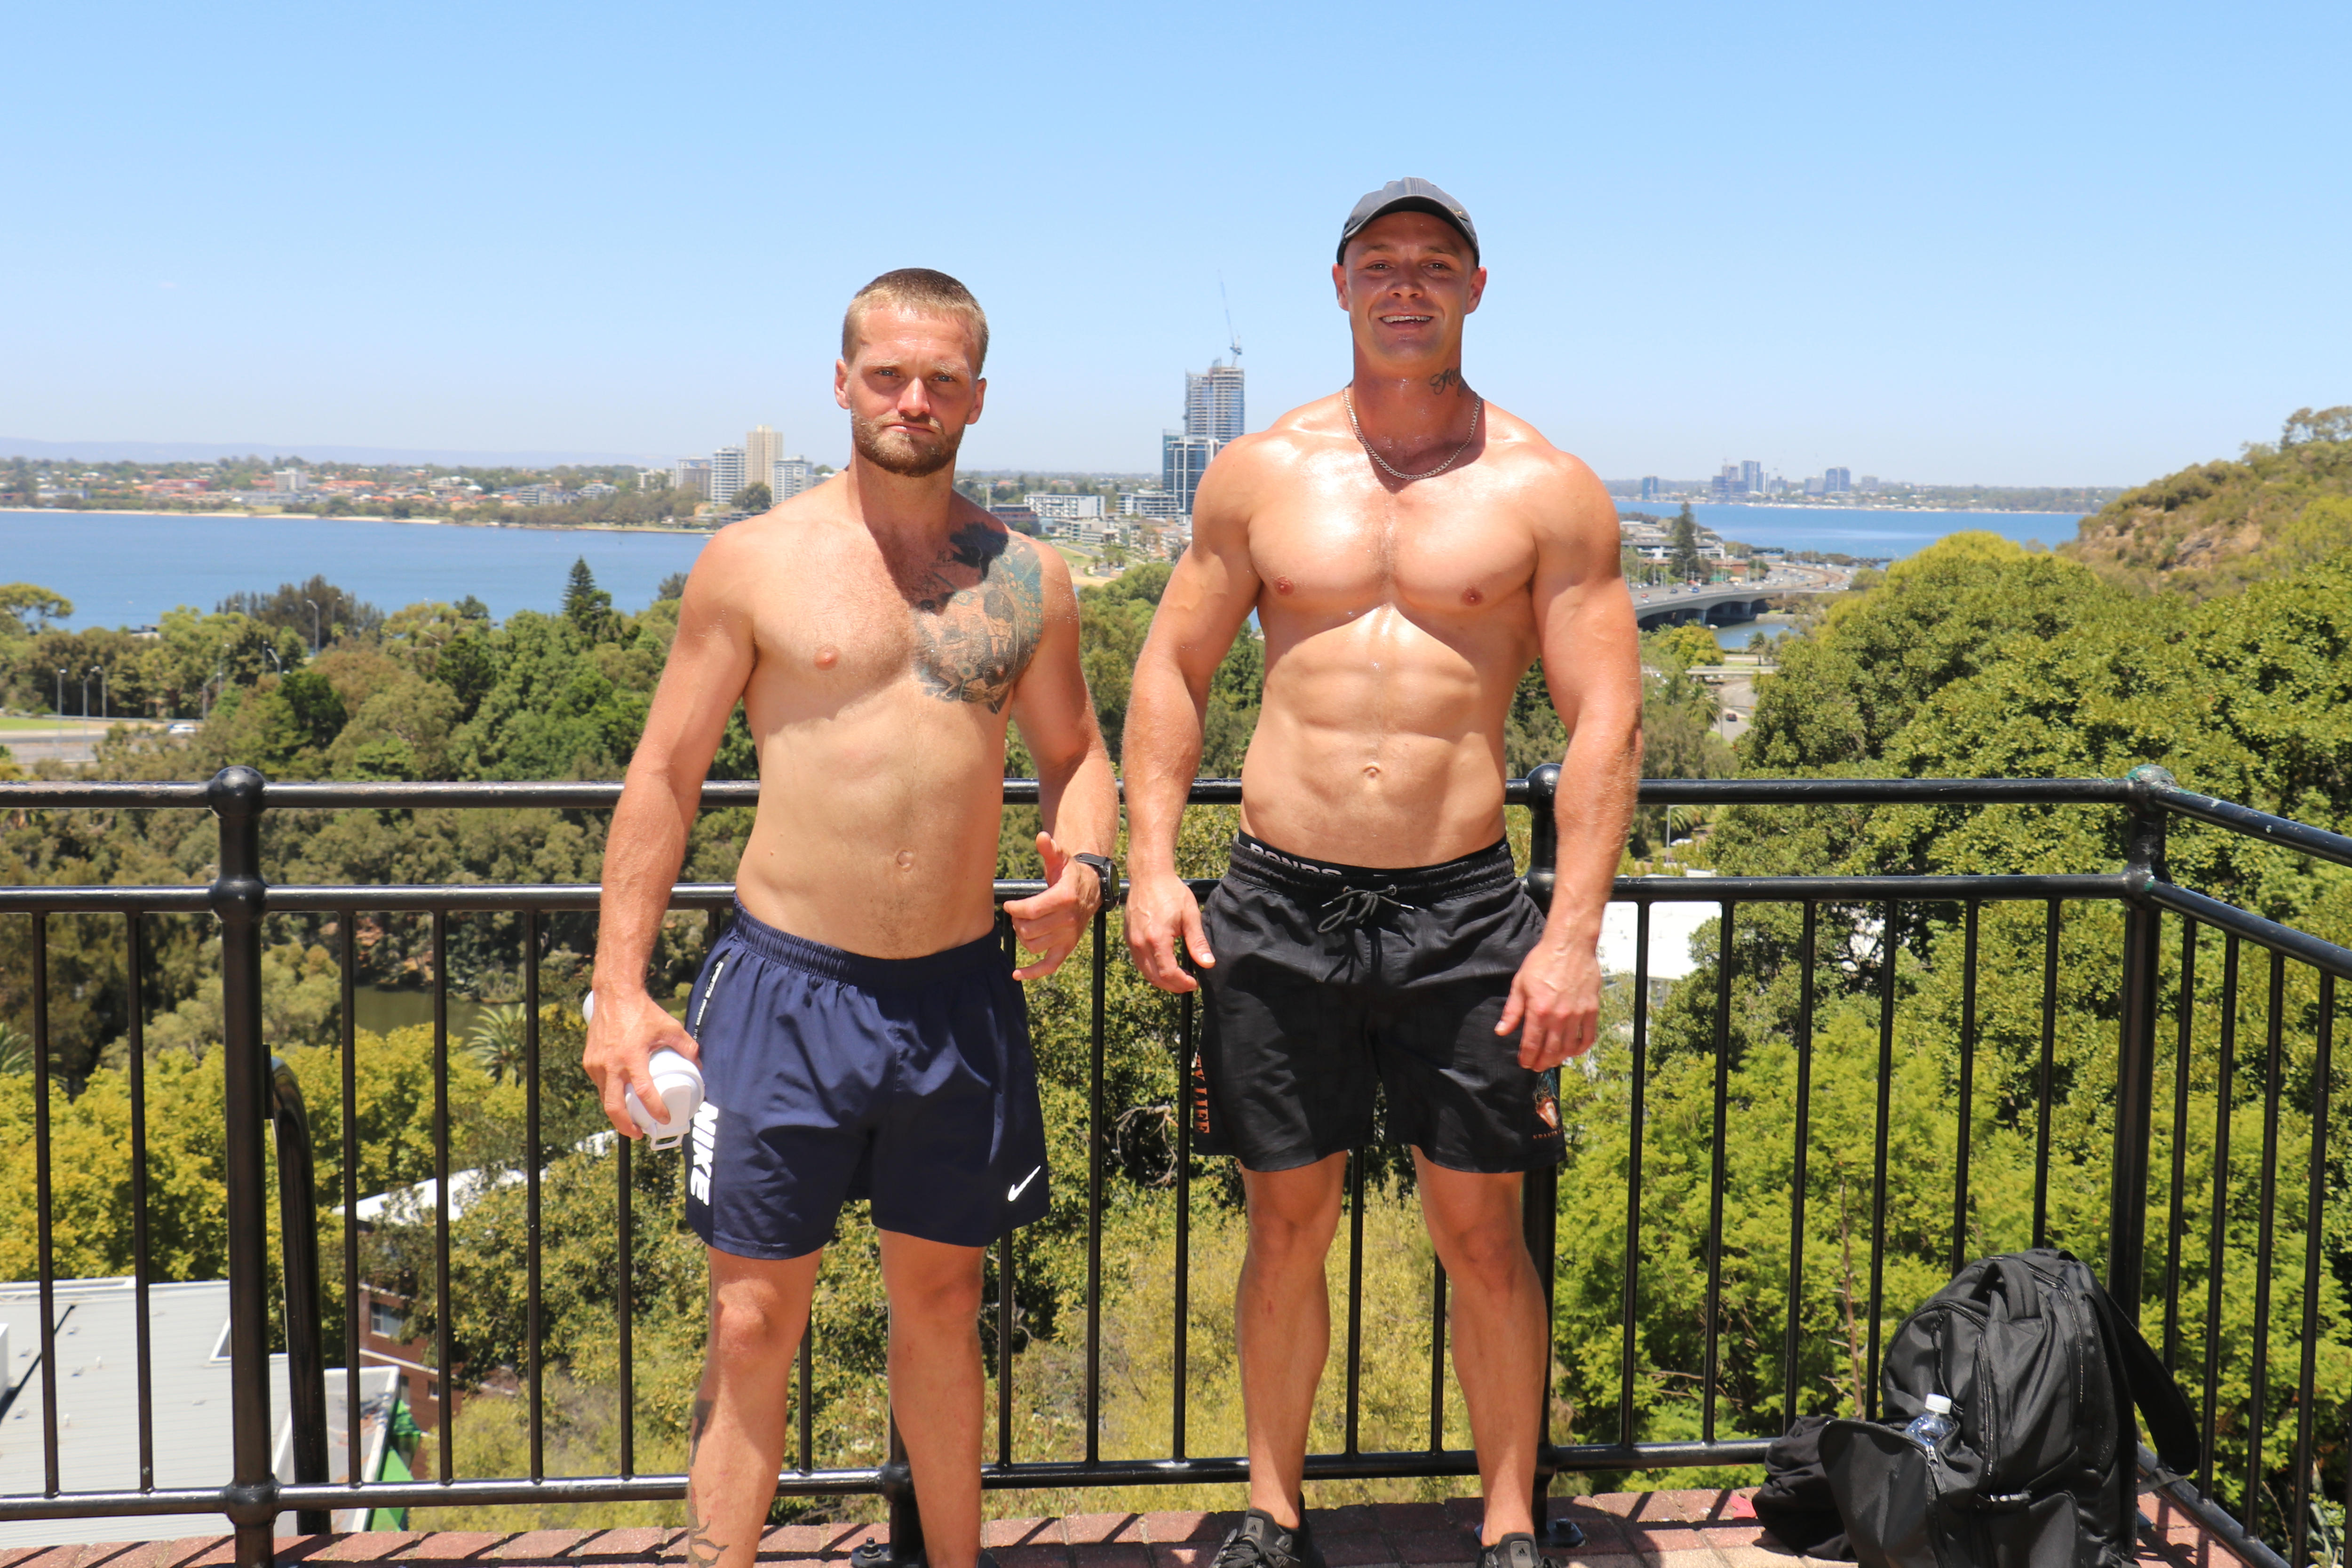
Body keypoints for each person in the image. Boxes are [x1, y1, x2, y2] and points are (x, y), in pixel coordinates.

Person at [1121, 180, 1642, 1568]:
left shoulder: (1548, 489)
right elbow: (1171, 666)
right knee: (1284, 1224)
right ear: (1340, 286)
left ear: (1477, 289)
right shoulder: (1262, 475)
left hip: (1465, 911)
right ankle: (1272, 1515)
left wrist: (1571, 935)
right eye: (1380, 264)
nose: (1406, 285)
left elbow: (1607, 719)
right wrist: (1152, 864)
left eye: (1434, 264)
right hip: (1277, 903)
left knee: (1484, 1230)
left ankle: (1513, 1522)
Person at [584, 268, 1120, 1568]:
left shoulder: (1027, 580)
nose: (914, 398)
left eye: (942, 378)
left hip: (955, 996)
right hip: (784, 989)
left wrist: (1088, 868)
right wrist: (619, 986)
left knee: (942, 1310)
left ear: (979, 396)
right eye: (888, 373)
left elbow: (1080, 755)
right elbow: (665, 772)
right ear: (842, 384)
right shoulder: (754, 562)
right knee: (752, 1325)